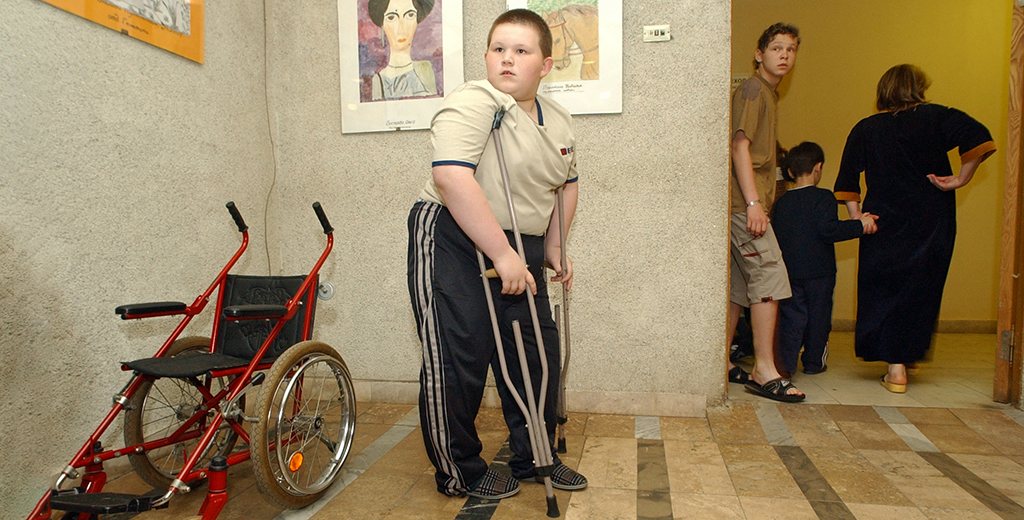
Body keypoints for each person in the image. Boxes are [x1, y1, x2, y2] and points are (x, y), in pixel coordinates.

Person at [407, 9, 587, 499]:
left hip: (519, 243)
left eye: (521, 51)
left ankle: (536, 457)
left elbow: (566, 184)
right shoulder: (475, 100)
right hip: (453, 235)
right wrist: (503, 254)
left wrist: (554, 245)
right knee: (459, 352)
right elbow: (451, 177)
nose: (507, 59)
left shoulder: (559, 119)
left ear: (545, 65)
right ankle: (460, 470)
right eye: (498, 49)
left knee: (534, 352)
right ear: (486, 56)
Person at [835, 64, 996, 393]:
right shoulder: (937, 117)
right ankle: (905, 356)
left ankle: (896, 368)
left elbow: (848, 180)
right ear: (918, 88)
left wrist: (858, 218)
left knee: (883, 290)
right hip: (931, 220)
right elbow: (979, 137)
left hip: (883, 222)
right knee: (921, 289)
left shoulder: (867, 128)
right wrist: (960, 179)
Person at [727, 22, 805, 402]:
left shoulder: (767, 94)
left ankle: (722, 362)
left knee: (737, 290)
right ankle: (764, 371)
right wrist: (754, 204)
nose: (784, 55)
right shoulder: (754, 90)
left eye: (790, 49)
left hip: (742, 205)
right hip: (744, 206)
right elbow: (739, 147)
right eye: (776, 48)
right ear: (759, 54)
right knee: (770, 279)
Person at [772, 142, 878, 377]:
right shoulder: (824, 198)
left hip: (789, 271)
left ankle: (785, 365)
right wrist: (860, 225)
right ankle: (813, 363)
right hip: (820, 272)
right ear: (818, 168)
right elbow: (829, 230)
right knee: (818, 318)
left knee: (791, 317)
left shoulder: (781, 203)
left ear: (790, 171)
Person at [368, 0, 438, 100]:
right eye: (391, 17)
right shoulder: (379, 80)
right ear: (382, 24)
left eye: (410, 15)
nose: (401, 29)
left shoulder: (425, 69)